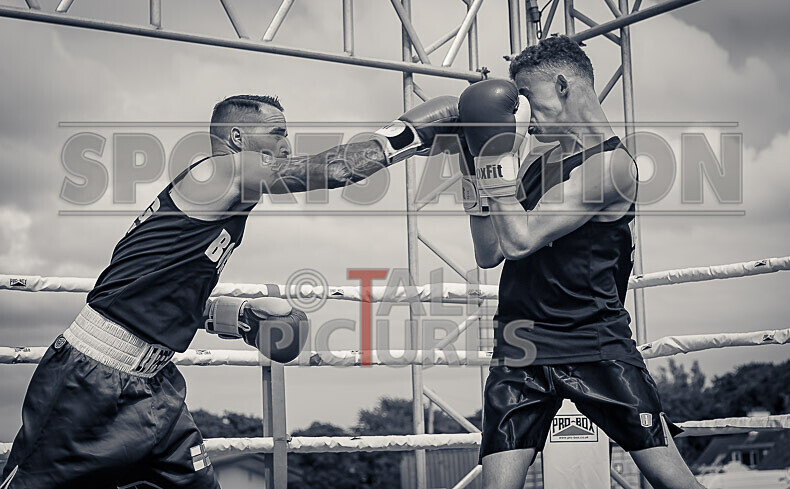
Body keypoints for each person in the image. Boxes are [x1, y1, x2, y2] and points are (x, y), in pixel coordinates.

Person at [1, 94, 458, 489]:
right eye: (277, 132)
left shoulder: (220, 204)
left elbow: (158, 290)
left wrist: (235, 317)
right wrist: (407, 134)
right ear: (238, 138)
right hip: (90, 381)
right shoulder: (220, 171)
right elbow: (335, 170)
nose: (286, 144)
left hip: (156, 388)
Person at [457, 36, 706, 489]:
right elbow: (489, 252)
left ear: (563, 84)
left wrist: (489, 161)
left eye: (530, 101)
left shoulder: (611, 166)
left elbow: (520, 239)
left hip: (594, 346)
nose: (527, 121)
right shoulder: (537, 162)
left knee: (672, 481)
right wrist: (470, 166)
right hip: (521, 348)